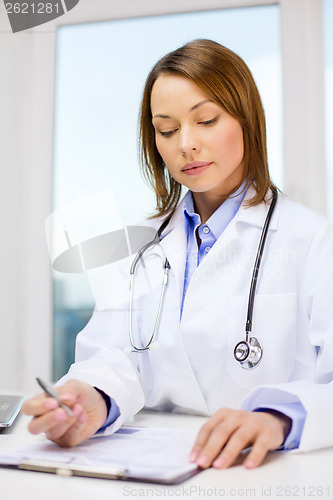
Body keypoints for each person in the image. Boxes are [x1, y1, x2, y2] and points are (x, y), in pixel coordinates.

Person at [22, 39, 333, 470]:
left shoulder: (313, 239)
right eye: (166, 130)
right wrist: (90, 399)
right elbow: (112, 357)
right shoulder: (138, 246)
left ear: (247, 120)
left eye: (205, 120)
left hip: (265, 472)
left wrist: (281, 418)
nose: (185, 144)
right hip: (157, 468)